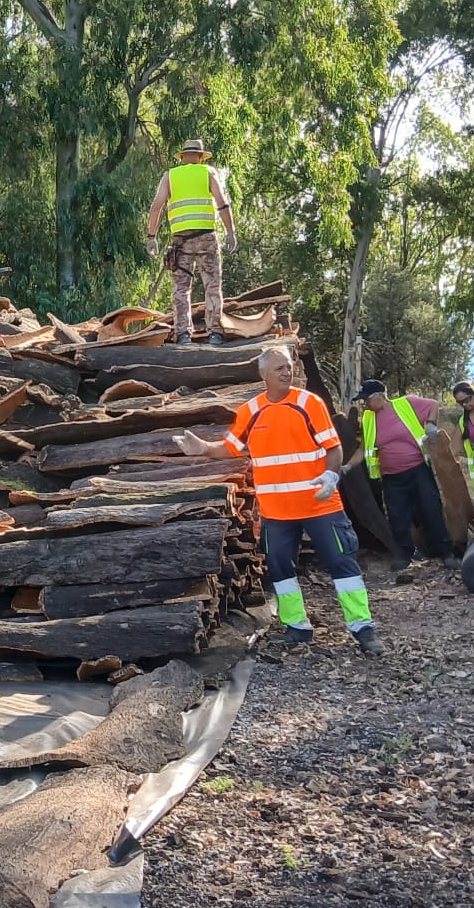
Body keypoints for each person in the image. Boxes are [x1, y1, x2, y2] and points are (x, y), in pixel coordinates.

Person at [176, 345, 383, 654]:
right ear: (263, 375)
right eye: (279, 368)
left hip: (319, 504)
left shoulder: (308, 403)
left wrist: (331, 476)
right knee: (280, 570)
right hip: (276, 513)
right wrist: (203, 448)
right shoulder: (250, 411)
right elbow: (231, 447)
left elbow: (334, 448)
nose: (287, 372)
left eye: (288, 367)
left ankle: (363, 629)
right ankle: (297, 628)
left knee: (342, 563)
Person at [344, 379, 451, 581]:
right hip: (392, 477)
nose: (364, 404)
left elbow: (433, 405)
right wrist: (348, 466)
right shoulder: (368, 418)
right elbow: (363, 449)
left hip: (418, 469)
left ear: (380, 397)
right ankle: (404, 555)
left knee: (431, 509)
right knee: (398, 516)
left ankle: (445, 551)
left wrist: (431, 424)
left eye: (366, 400)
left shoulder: (406, 403)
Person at [145, 139, 236, 347]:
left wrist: (152, 236)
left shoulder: (170, 175)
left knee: (180, 288)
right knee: (212, 285)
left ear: (183, 157)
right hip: (207, 238)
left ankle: (183, 334)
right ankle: (215, 333)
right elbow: (222, 203)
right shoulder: (208, 173)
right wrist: (231, 231)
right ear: (201, 157)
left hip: (181, 241)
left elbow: (156, 207)